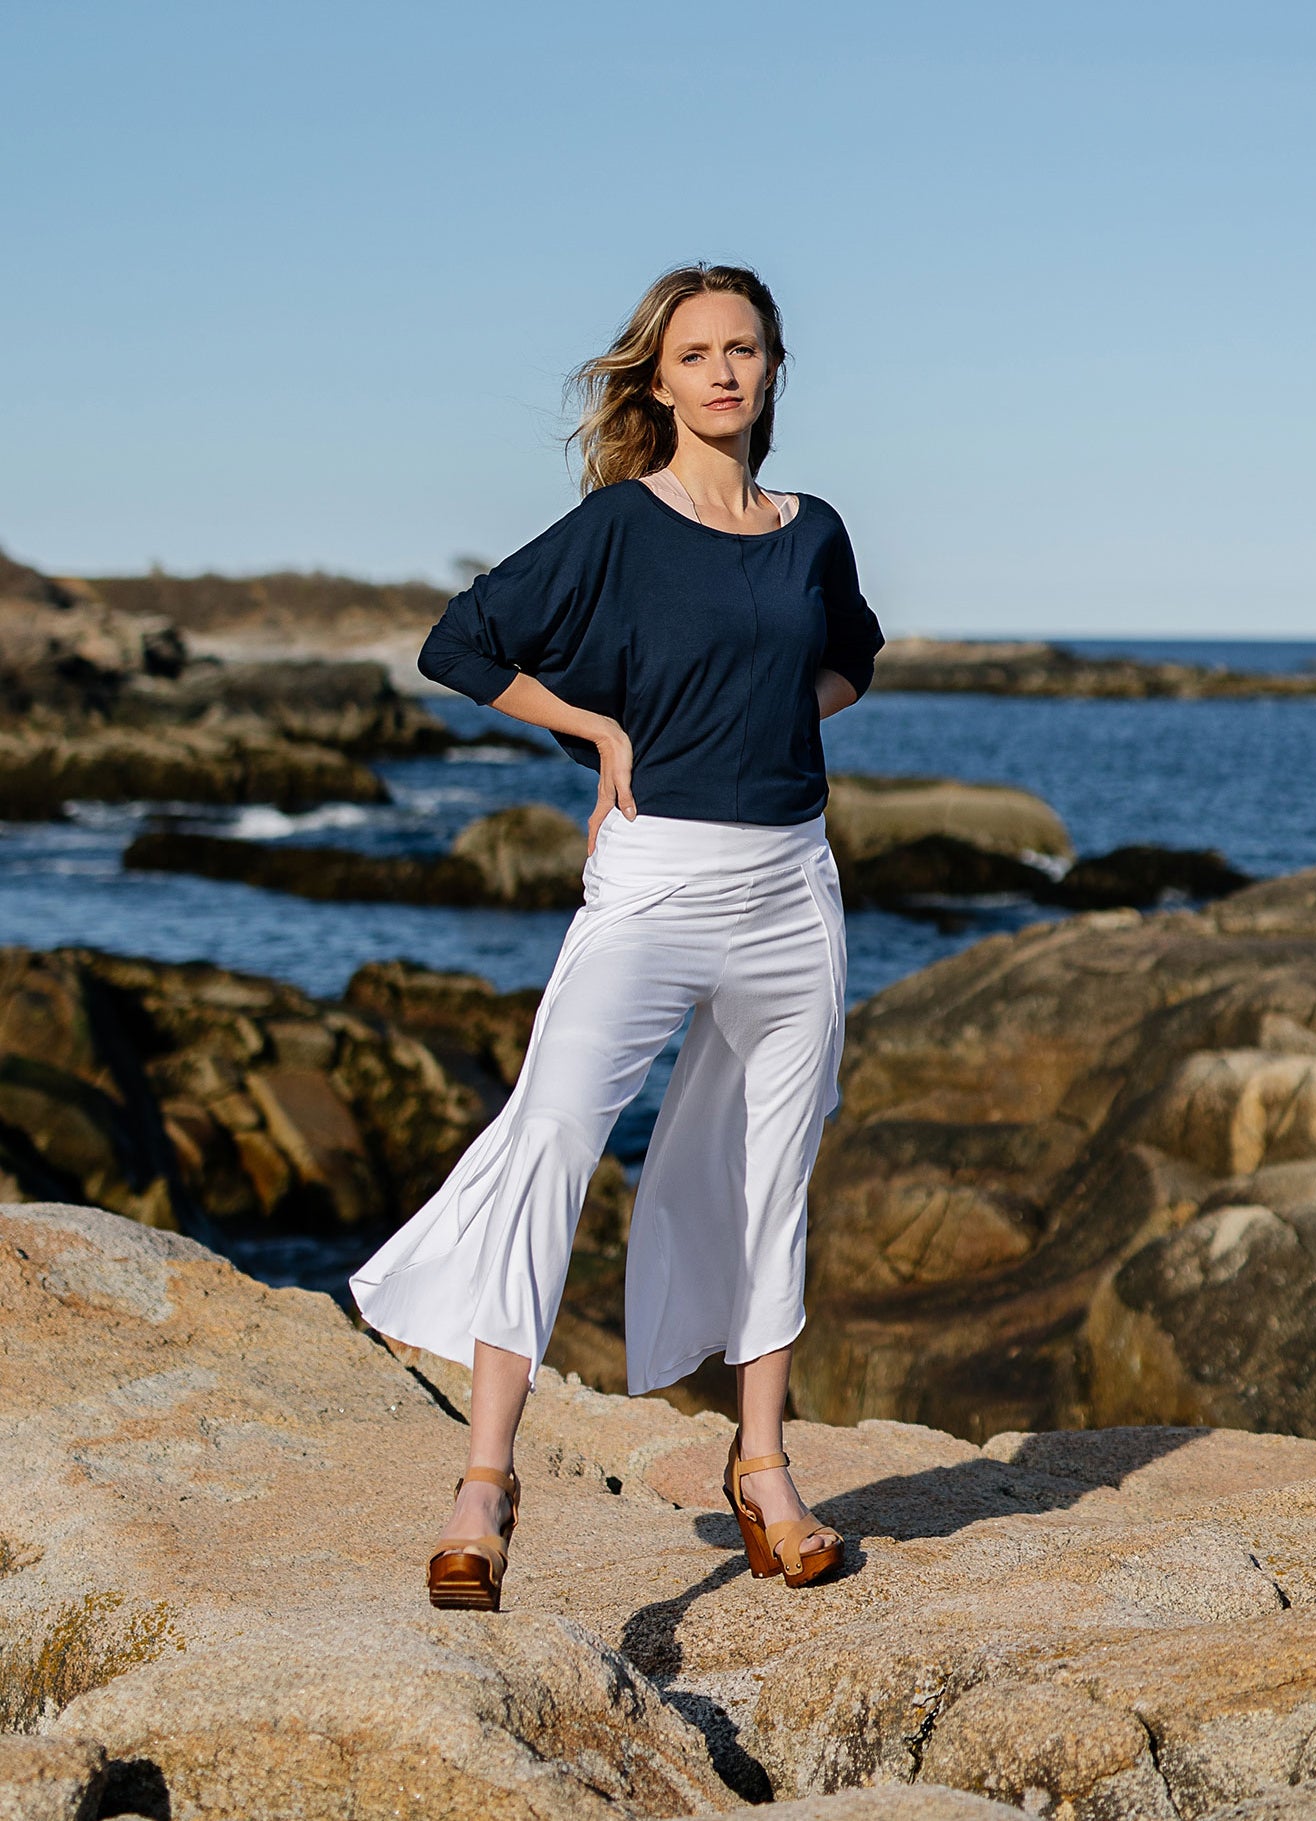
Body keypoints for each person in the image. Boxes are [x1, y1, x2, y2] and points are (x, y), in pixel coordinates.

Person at [350, 262, 884, 1609]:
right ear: (658, 378)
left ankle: (762, 1468)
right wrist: (597, 729)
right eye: (695, 353)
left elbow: (852, 656)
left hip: (789, 892)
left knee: (773, 1172)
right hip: (653, 883)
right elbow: (461, 642)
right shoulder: (620, 525)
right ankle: (484, 1483)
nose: (723, 371)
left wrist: (768, 718)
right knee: (549, 1136)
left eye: (743, 349)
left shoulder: (812, 530)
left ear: (774, 368)